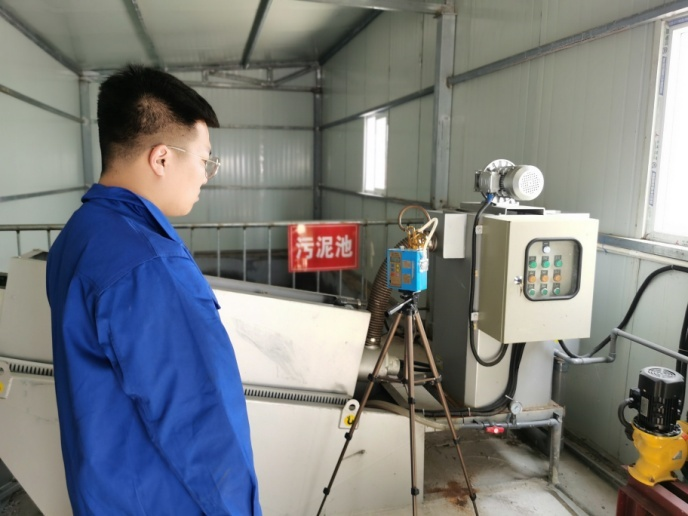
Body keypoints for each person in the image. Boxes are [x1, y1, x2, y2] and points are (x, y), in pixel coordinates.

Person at [46, 65, 262, 515]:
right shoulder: (148, 265)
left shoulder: (79, 234)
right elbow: (200, 422)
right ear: (162, 159)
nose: (206, 176)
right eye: (205, 161)